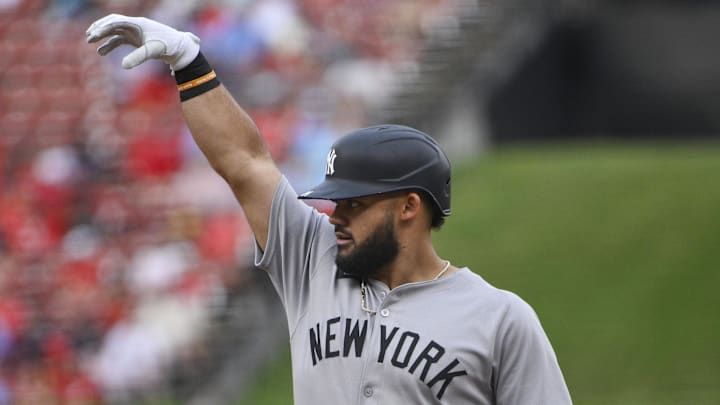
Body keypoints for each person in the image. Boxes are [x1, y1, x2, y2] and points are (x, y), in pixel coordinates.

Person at [86, 14, 573, 405]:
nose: (334, 215)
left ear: (409, 207)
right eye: (335, 200)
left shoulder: (501, 320)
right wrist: (190, 64)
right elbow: (246, 164)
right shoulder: (312, 261)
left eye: (354, 204)